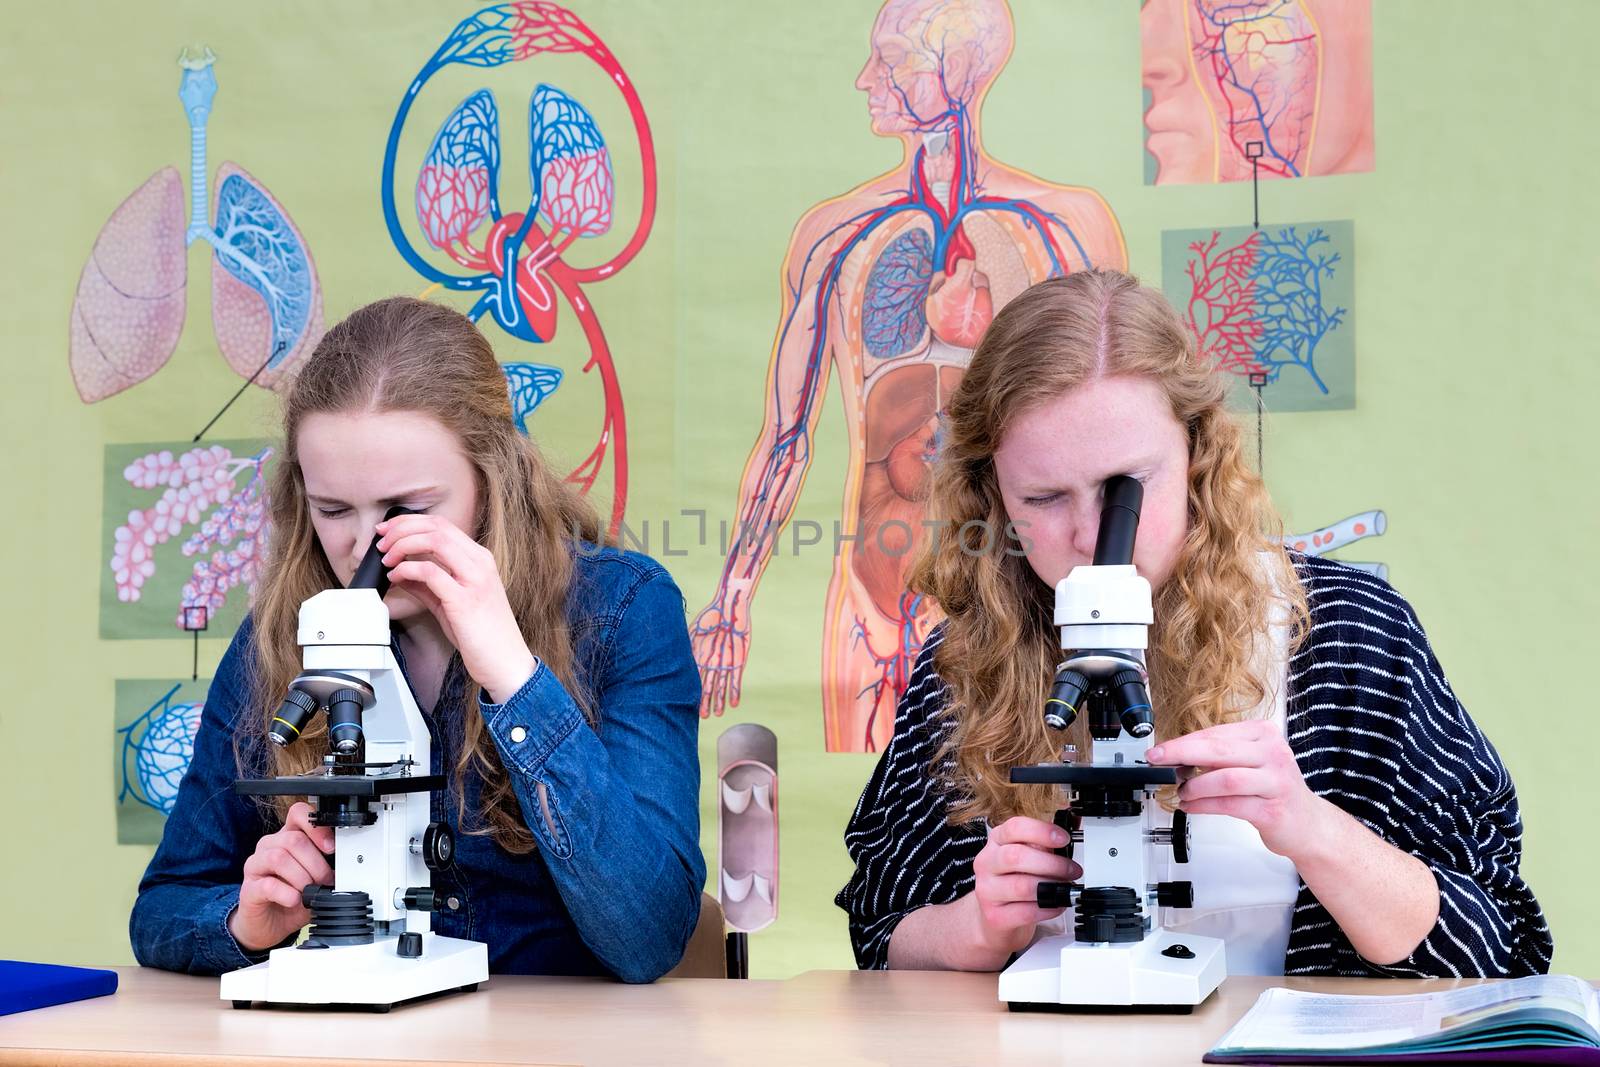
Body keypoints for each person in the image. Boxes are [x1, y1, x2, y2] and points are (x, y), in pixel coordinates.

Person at [837, 270, 1550, 977]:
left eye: (1125, 489)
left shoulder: (1345, 634)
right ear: (992, 493)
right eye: (1044, 496)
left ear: (1197, 453)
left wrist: (1311, 828)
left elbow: (1499, 940)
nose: (1090, 537)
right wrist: (978, 926)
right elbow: (880, 930)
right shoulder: (965, 661)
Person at [130, 297, 704, 983]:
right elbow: (163, 907)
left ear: (493, 482)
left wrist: (515, 678)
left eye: (407, 508)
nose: (365, 545)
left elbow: (651, 933)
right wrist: (244, 918)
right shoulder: (285, 631)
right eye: (333, 509)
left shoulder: (623, 610)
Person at [690, 0, 1126, 754]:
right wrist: (732, 596)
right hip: (867, 596)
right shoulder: (837, 236)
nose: (867, 79)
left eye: (894, 63)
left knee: (1023, 810)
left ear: (957, 74)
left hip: (1009, 599)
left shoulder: (1063, 229)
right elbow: (787, 436)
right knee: (881, 832)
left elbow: (1116, 441)